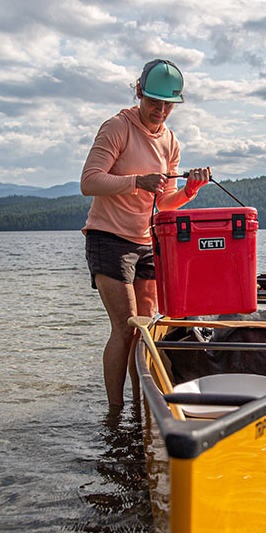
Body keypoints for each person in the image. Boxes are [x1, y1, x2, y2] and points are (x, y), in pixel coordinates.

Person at [81, 59, 210, 407]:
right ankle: (115, 412)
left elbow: (163, 204)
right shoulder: (117, 128)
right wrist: (137, 181)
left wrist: (190, 190)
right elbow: (88, 182)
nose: (161, 110)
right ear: (139, 92)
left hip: (147, 242)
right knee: (124, 328)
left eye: (169, 104)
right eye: (155, 101)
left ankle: (144, 411)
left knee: (145, 332)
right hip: (108, 237)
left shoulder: (171, 142)